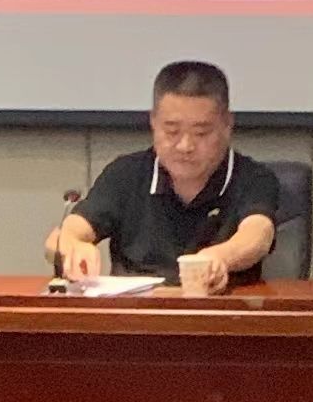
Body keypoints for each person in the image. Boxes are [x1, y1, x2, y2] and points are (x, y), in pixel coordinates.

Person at [45, 60, 278, 292]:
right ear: (153, 122)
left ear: (227, 124)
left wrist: (219, 257)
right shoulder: (126, 174)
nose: (185, 146)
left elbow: (258, 235)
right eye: (172, 131)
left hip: (221, 308)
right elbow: (61, 237)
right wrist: (73, 246)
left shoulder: (252, 177)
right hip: (135, 310)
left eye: (201, 133)